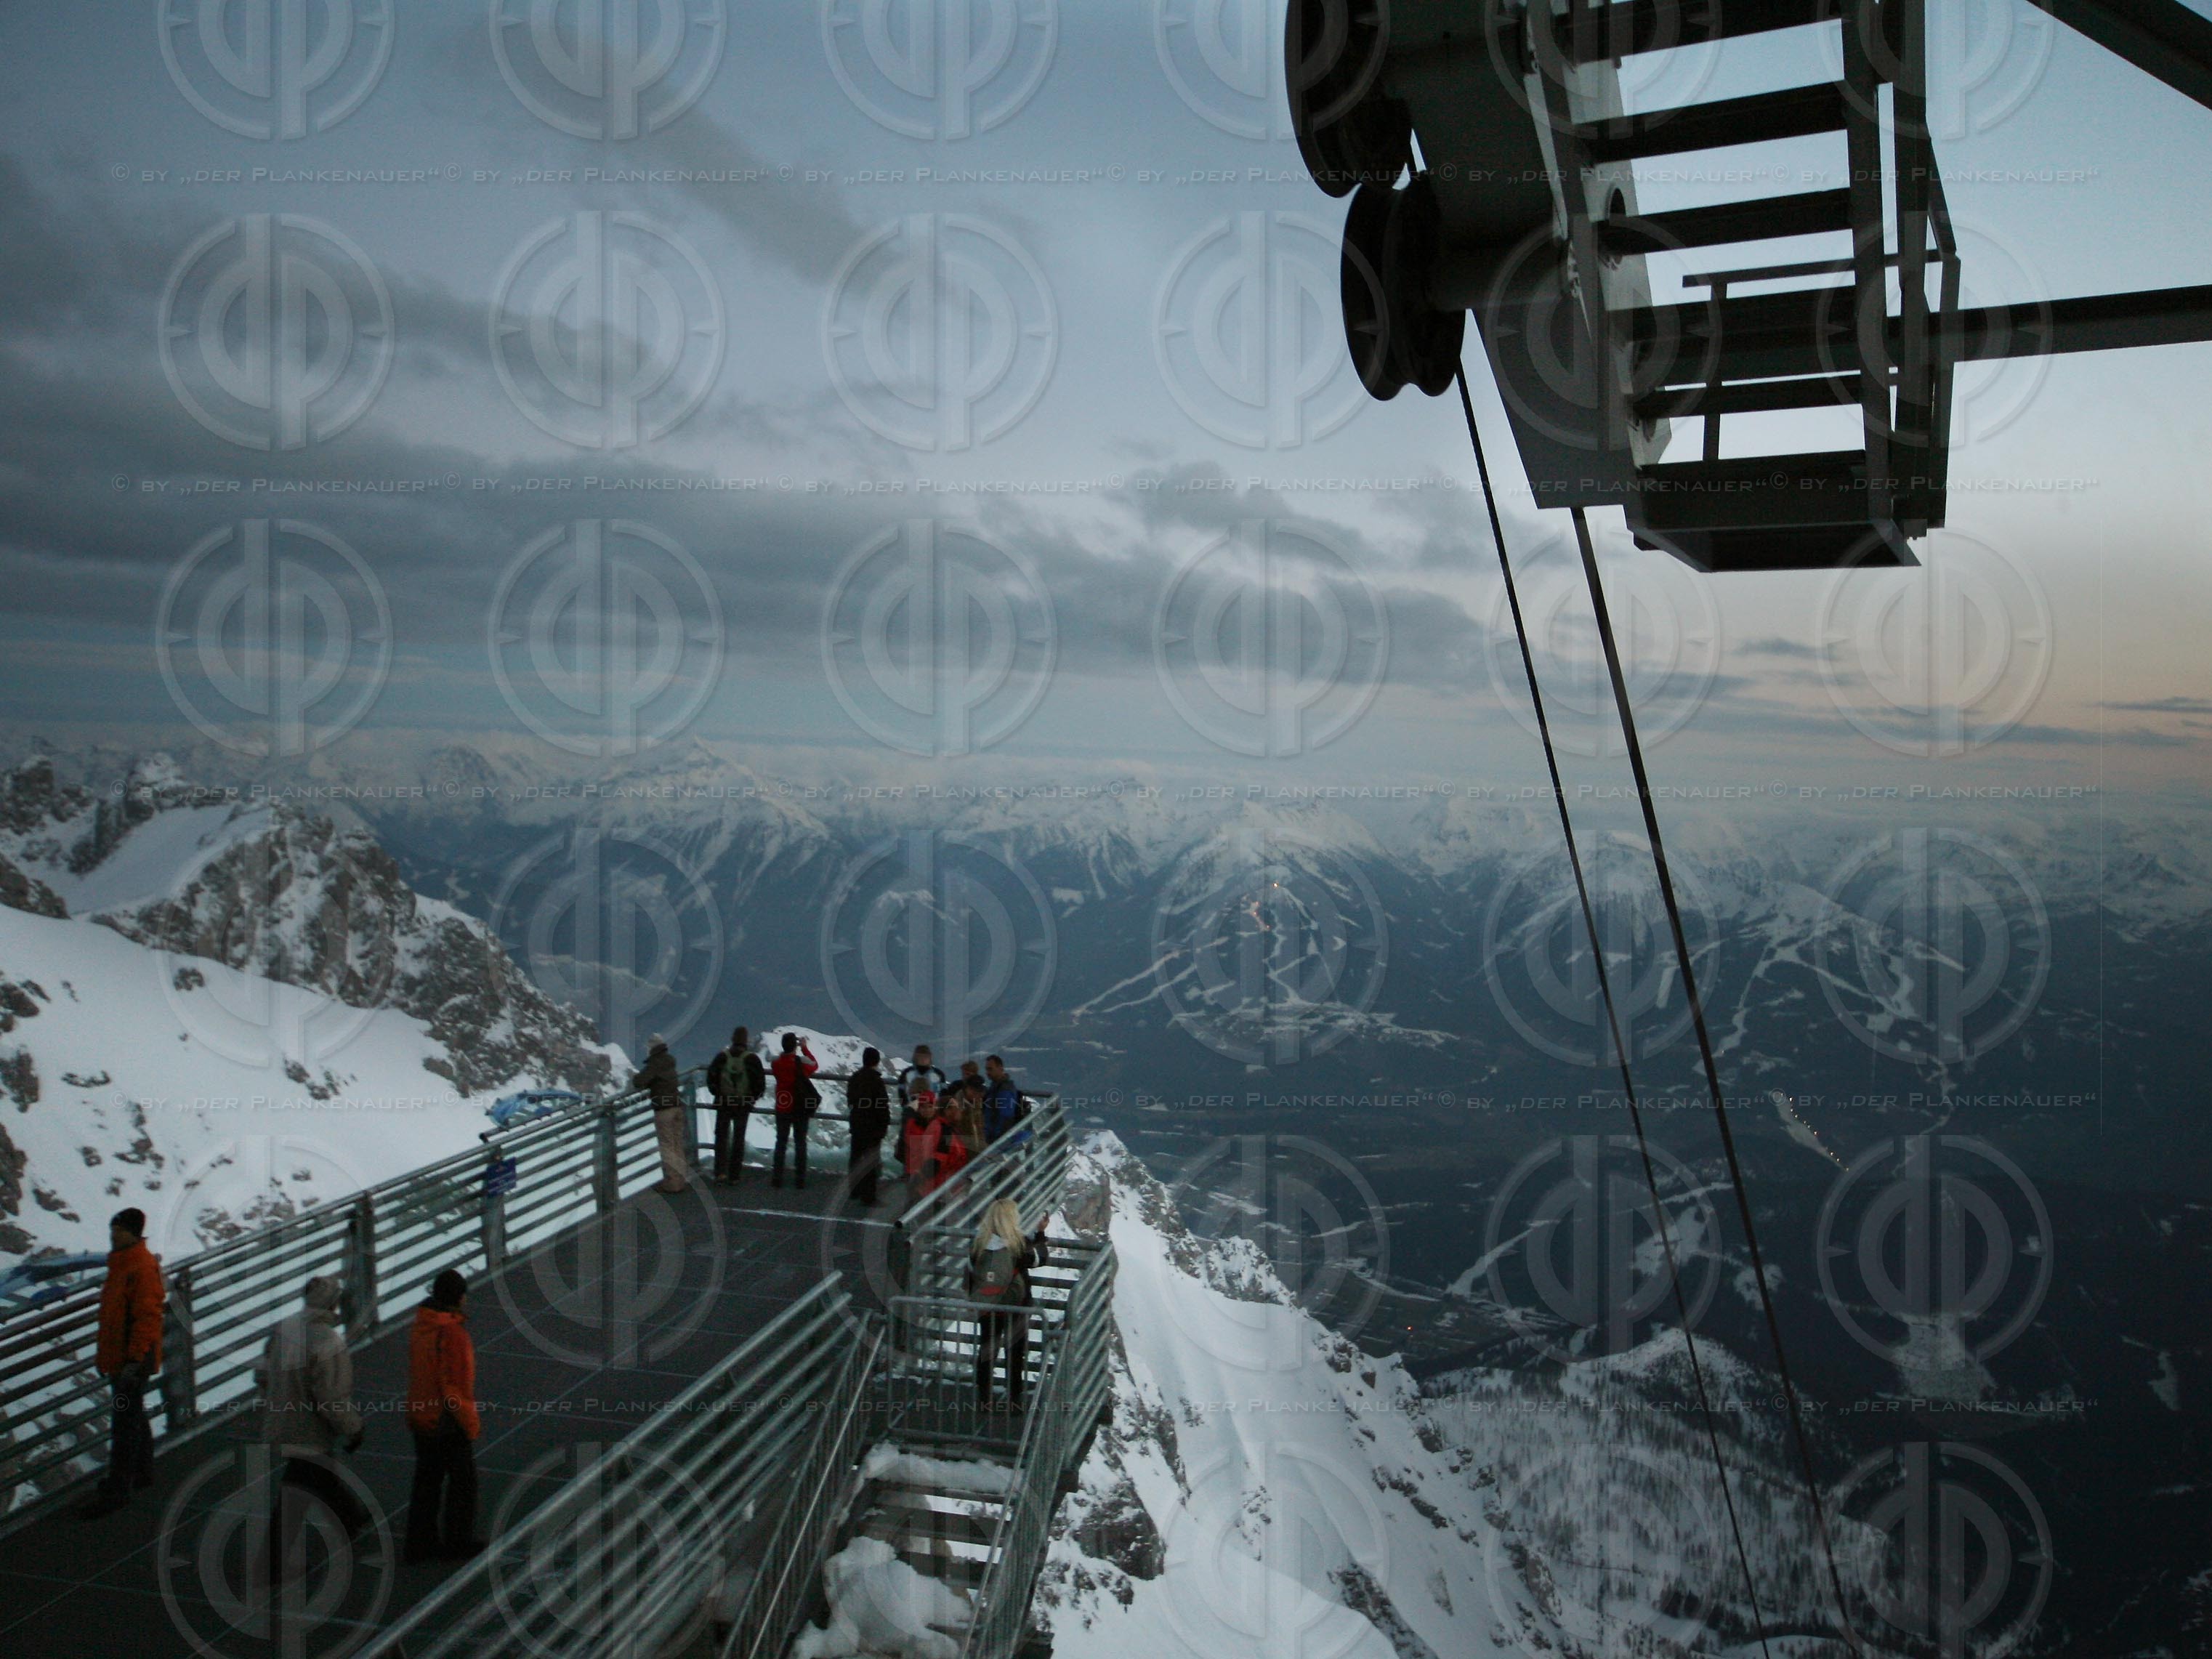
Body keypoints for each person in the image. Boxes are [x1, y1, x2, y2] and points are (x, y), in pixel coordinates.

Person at [255, 1275, 369, 1560]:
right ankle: (273, 1562)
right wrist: (353, 1428)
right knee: (297, 1489)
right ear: (333, 1305)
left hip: (281, 1420)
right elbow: (331, 1396)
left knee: (319, 1472)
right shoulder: (328, 1342)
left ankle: (350, 1517)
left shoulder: (285, 1330)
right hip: (308, 1428)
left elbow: (262, 1373)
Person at [78, 1207, 164, 1519]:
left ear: (133, 1232)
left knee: (124, 1425)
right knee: (133, 1416)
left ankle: (118, 1490)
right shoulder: (124, 1263)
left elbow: (147, 1316)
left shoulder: (138, 1266)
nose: (113, 1234)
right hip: (124, 1357)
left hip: (132, 1359)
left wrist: (133, 1359)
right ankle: (142, 1473)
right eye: (113, 1228)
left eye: (119, 1230)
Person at [405, 1269, 484, 1563]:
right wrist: (470, 1424)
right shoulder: (453, 1334)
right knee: (464, 1482)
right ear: (459, 1298)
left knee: (427, 1481)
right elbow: (456, 1386)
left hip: (420, 1414)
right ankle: (458, 1542)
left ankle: (419, 1543)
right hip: (445, 1420)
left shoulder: (422, 1325)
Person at [966, 1198, 1047, 1410]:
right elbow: (1040, 1259)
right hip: (1016, 1307)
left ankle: (984, 1401)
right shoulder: (1017, 1244)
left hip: (988, 1308)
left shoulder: (979, 1244)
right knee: (1015, 1354)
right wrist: (1040, 1234)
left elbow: (971, 1273)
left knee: (986, 1351)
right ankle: (1014, 1403)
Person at [631, 1033, 688, 1195]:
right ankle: (681, 1178)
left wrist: (636, 1077)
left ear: (652, 1048)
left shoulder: (655, 1064)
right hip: (677, 1106)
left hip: (664, 1110)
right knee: (677, 1143)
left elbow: (639, 1082)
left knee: (667, 1146)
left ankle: (672, 1182)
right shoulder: (669, 1061)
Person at [707, 1026, 764, 1184]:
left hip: (724, 1104)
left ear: (732, 1039)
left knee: (721, 1137)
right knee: (739, 1139)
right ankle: (735, 1175)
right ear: (746, 1041)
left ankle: (720, 1173)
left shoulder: (721, 1057)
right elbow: (760, 1084)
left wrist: (719, 1094)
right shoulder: (752, 1059)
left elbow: (711, 1079)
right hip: (742, 1105)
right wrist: (750, 1100)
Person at [769, 1031, 820, 1190]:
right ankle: (800, 1179)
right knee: (800, 1143)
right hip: (799, 1107)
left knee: (781, 1142)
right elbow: (814, 1065)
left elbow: (776, 1060)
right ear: (795, 1046)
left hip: (782, 1106)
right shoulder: (801, 1063)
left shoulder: (776, 1063)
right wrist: (804, 1048)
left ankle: (777, 1177)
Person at [845, 1047, 891, 1206]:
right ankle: (869, 1196)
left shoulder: (855, 1078)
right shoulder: (877, 1081)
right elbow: (882, 1106)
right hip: (873, 1126)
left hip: (857, 1123)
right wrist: (884, 1124)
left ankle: (854, 1189)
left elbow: (850, 1100)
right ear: (877, 1062)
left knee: (856, 1157)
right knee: (871, 1160)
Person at [895, 1045, 947, 1176]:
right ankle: (909, 1170)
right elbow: (901, 1092)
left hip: (932, 1113)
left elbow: (944, 1094)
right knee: (909, 1142)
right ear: (915, 1058)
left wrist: (937, 1110)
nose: (923, 1060)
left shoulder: (938, 1075)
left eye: (925, 1057)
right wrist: (908, 1106)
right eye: (920, 1057)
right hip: (911, 1112)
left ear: (930, 1058)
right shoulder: (907, 1074)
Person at [902, 1091, 947, 1198]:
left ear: (935, 1107)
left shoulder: (942, 1125)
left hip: (934, 1172)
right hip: (916, 1172)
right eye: (923, 1107)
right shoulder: (912, 1125)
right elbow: (916, 1149)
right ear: (919, 1109)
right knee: (914, 1201)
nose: (927, 1110)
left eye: (930, 1106)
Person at [980, 1054, 1030, 1146]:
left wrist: (997, 1140)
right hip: (991, 1137)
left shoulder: (1005, 1090)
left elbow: (1005, 1117)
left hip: (997, 1140)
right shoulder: (995, 1087)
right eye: (987, 1069)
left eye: (990, 1069)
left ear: (1000, 1068)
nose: (988, 1072)